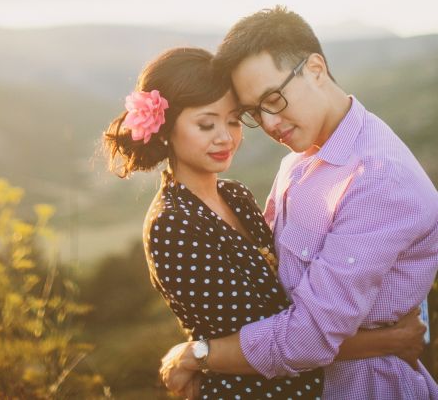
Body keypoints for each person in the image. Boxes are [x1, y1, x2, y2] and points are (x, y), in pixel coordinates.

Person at [103, 45, 425, 400]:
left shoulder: (235, 196)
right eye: (206, 124)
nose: (225, 137)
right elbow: (273, 335)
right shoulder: (173, 223)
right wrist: (387, 341)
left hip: (303, 385)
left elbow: (289, 300)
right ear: (166, 129)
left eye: (233, 120)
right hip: (248, 390)